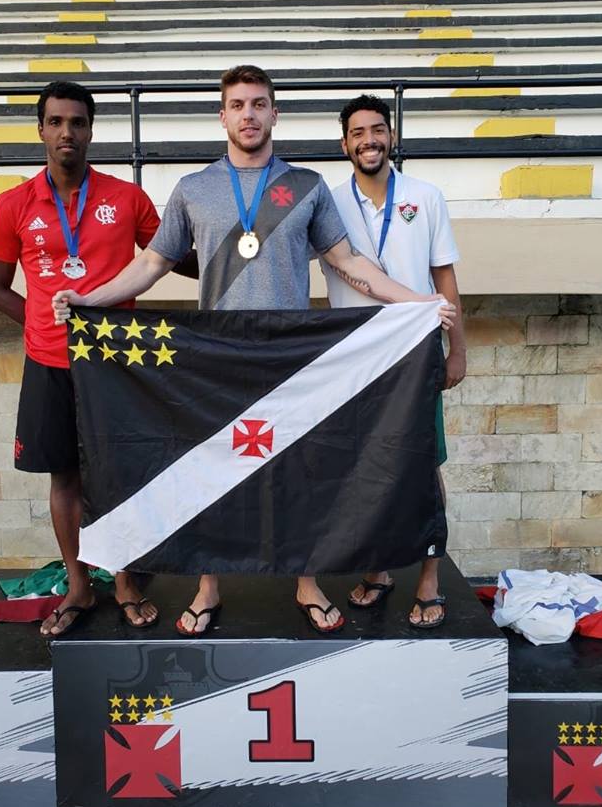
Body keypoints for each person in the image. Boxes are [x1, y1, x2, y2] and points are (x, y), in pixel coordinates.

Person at [52, 64, 456, 636]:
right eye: (238, 105)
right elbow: (152, 263)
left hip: (291, 357)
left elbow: (348, 262)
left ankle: (306, 582)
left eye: (259, 104)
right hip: (215, 358)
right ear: (222, 116)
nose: (249, 115)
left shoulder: (305, 186)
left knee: (299, 469)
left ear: (274, 113)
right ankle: (208, 586)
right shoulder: (194, 189)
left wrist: (419, 302)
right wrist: (88, 300)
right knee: (212, 469)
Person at [0, 80, 193, 638]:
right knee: (65, 476)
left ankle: (123, 582)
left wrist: (239, 248)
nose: (67, 132)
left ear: (91, 130)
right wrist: (40, 323)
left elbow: (173, 258)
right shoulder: (12, 205)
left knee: (118, 475)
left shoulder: (127, 199)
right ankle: (78, 585)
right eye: (56, 122)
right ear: (41, 129)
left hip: (114, 364)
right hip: (49, 362)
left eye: (77, 122)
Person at [322, 94, 467, 629]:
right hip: (356, 357)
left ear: (392, 136)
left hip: (416, 353)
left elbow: (444, 277)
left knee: (423, 465)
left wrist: (458, 348)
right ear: (345, 144)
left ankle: (429, 578)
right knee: (366, 467)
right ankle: (378, 569)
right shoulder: (327, 203)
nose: (370, 140)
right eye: (358, 133)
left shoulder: (425, 196)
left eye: (378, 130)